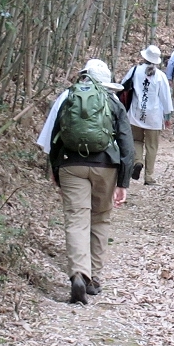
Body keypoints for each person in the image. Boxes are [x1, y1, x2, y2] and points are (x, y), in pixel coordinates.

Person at [36, 59, 134, 304]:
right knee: (99, 218)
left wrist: (55, 169)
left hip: (71, 164)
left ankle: (79, 273)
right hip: (106, 166)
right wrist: (123, 182)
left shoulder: (67, 98)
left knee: (77, 219)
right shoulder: (113, 102)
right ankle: (94, 279)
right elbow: (126, 145)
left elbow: (53, 138)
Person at [122, 45, 172, 186]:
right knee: (152, 146)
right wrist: (168, 115)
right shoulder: (161, 76)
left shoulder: (135, 70)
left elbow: (122, 86)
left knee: (136, 141)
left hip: (135, 114)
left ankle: (137, 162)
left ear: (144, 57)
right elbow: (166, 98)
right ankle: (149, 177)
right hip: (154, 117)